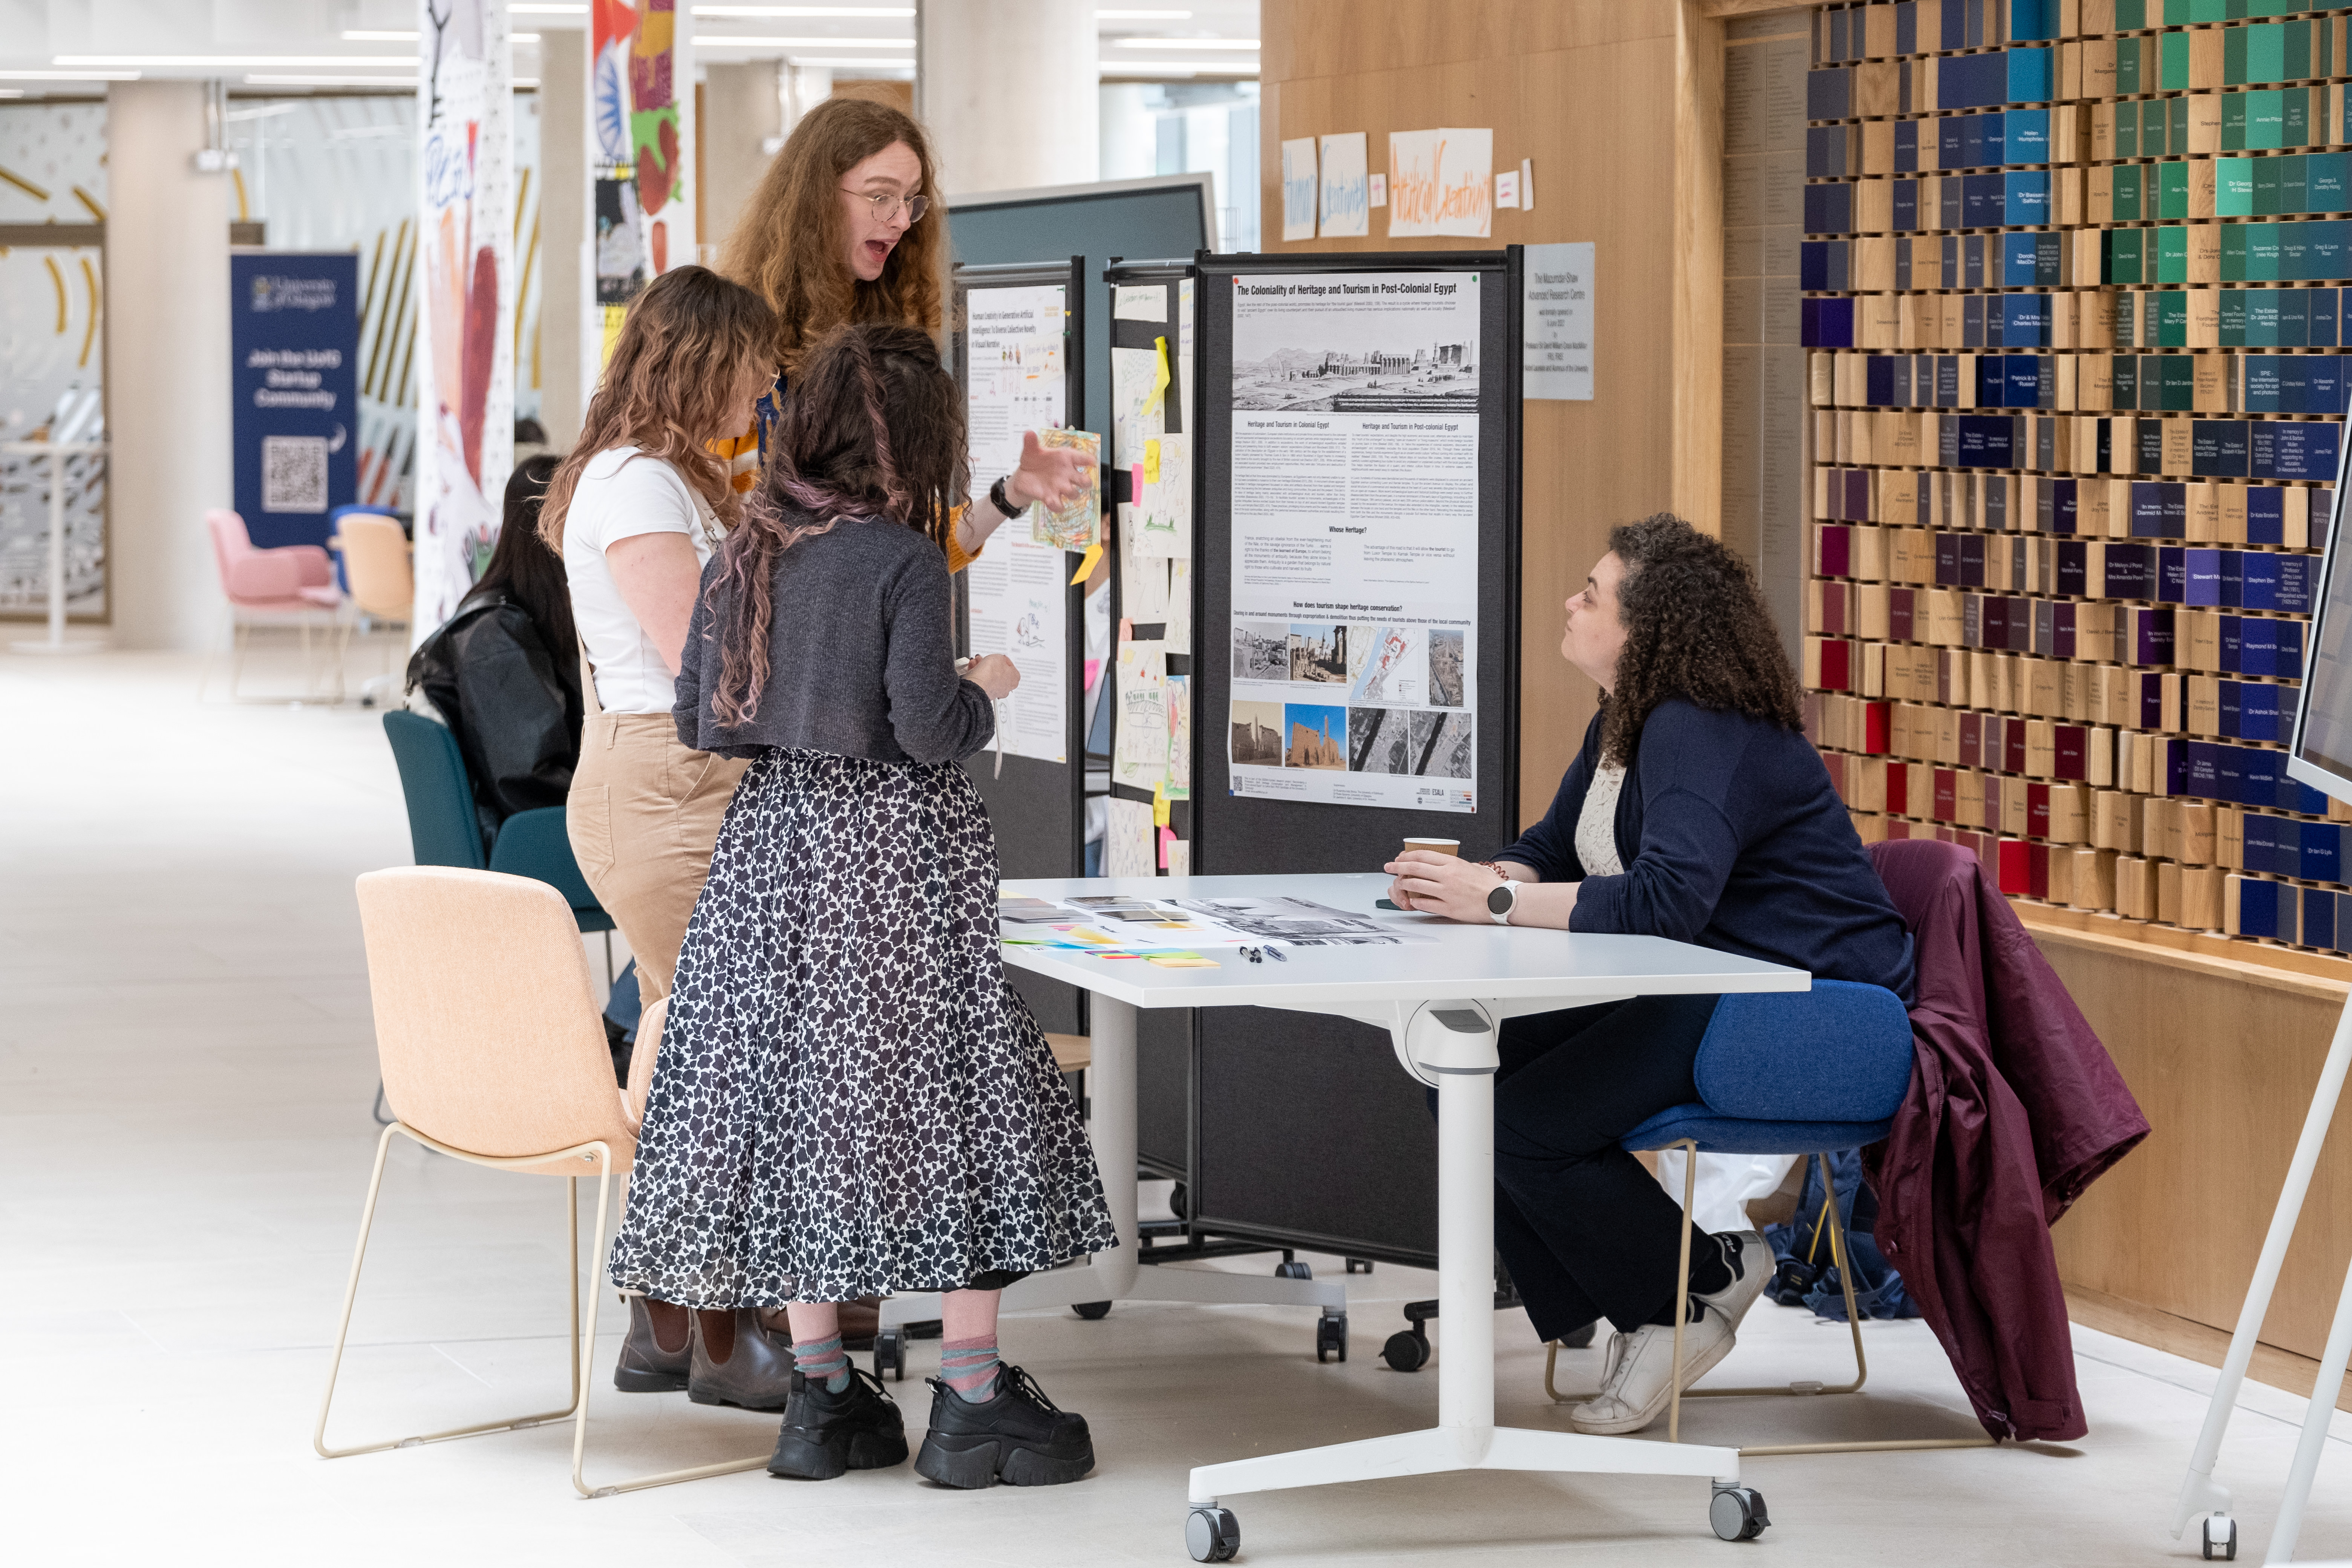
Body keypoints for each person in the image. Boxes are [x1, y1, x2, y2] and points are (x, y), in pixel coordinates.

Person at [610, 322, 1116, 1488]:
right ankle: (976, 1400)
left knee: (801, 1108)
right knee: (952, 1100)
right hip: (893, 857)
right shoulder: (896, 560)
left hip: (770, 851)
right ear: (917, 438)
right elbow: (928, 728)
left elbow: (698, 714)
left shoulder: (749, 545)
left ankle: (823, 1396)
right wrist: (982, 688)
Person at [1383, 514, 1915, 1438]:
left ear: (1648, 626)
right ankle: (1655, 1298)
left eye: (1590, 594)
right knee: (1456, 1072)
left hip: (1808, 1011)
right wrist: (1480, 882)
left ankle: (1693, 1289)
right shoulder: (1625, 719)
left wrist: (1496, 905)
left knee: (1513, 1118)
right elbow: (1553, 849)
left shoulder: (1696, 727)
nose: (1569, 602)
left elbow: (1666, 899)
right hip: (1717, 985)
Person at [537, 264, 801, 1410]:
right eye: (754, 366)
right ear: (704, 359)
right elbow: (707, 658)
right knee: (720, 1055)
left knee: (680, 1045)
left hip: (668, 781)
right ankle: (726, 1332)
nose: (765, 388)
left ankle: (663, 1321)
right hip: (667, 784)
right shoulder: (637, 483)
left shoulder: (651, 471)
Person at [715, 94, 1084, 568]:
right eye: (880, 196)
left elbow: (908, 548)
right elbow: (702, 538)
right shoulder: (735, 347)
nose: (902, 220)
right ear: (816, 199)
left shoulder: (880, 354)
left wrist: (1011, 494)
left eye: (910, 199)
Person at [405, 454, 580, 850]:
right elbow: (528, 778)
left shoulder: (531, 618)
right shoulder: (495, 637)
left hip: (544, 824)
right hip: (538, 838)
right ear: (556, 529)